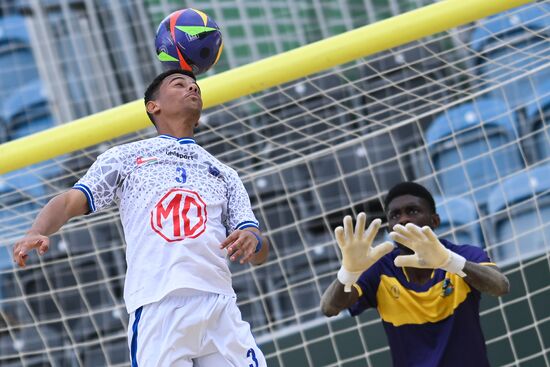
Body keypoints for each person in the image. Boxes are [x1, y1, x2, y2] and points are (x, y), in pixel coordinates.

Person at [13, 69, 269, 367]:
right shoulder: (125, 157)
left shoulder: (225, 174)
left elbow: (260, 251)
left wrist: (255, 240)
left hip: (219, 305)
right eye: (179, 85)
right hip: (158, 307)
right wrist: (38, 229)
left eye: (195, 86)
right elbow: (71, 200)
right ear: (153, 106)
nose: (192, 88)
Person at [321, 181, 510, 367]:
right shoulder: (379, 270)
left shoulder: (463, 256)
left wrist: (449, 262)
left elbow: (500, 286)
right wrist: (348, 272)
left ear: (434, 221)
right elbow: (329, 308)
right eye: (395, 215)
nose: (403, 219)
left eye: (412, 211)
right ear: (389, 228)